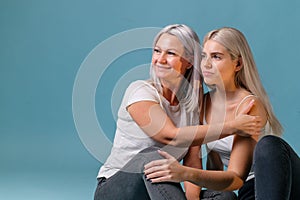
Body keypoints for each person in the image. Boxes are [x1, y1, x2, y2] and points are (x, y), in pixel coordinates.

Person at [94, 25, 261, 200]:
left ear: (189, 61)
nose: (161, 59)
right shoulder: (140, 91)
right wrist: (234, 126)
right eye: (157, 51)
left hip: (155, 193)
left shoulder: (192, 104)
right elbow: (170, 136)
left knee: (224, 196)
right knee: (152, 156)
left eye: (171, 53)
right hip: (116, 189)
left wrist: (193, 198)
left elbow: (192, 161)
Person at [144, 27, 299, 200]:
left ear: (237, 64)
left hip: (284, 185)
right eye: (204, 56)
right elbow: (211, 168)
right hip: (248, 192)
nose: (207, 64)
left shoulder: (249, 105)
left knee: (269, 145)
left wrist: (184, 173)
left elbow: (236, 178)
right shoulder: (203, 103)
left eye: (216, 56)